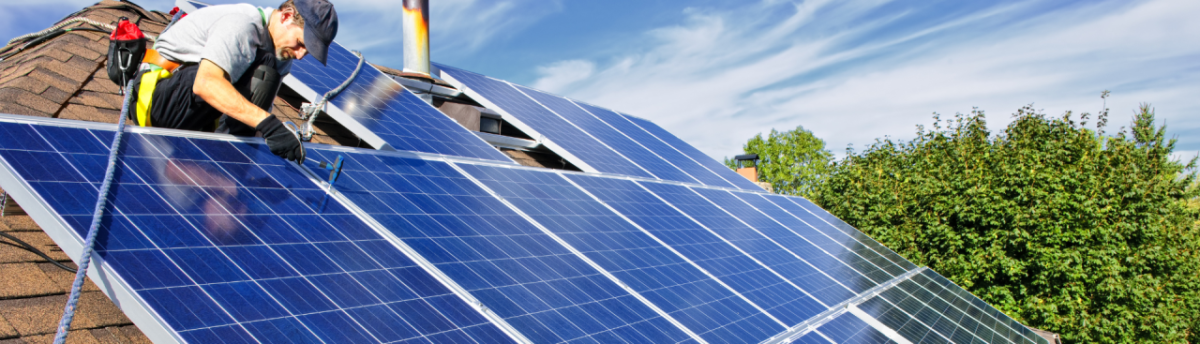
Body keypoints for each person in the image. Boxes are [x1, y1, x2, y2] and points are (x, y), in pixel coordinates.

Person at [130, 0, 338, 163]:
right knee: (263, 68)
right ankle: (220, 162)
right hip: (156, 101)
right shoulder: (243, 23)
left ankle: (226, 164)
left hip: (196, 116)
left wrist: (274, 155)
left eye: (307, 51)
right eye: (300, 43)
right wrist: (270, 125)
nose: (300, 55)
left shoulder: (281, 57)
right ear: (285, 16)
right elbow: (205, 83)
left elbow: (256, 114)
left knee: (269, 67)